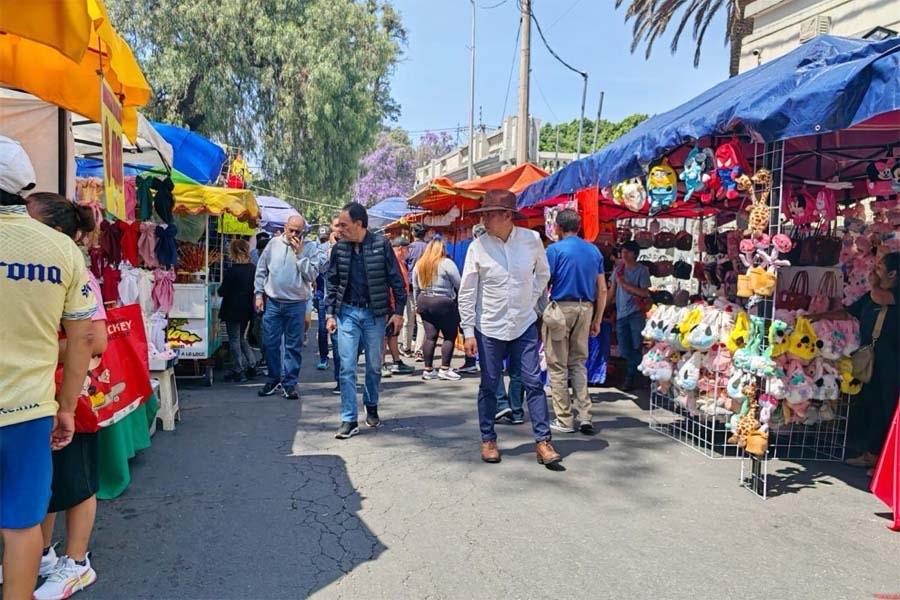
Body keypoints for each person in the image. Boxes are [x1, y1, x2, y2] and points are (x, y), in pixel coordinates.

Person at [0, 137, 96, 599]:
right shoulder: (60, 250)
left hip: (32, 410)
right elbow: (83, 338)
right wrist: (67, 406)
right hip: (29, 410)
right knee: (22, 526)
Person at [23, 193, 106, 600]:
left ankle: (77, 562)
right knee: (44, 482)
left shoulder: (77, 273)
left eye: (29, 219)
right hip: (34, 390)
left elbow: (96, 339)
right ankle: (39, 553)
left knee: (76, 481)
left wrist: (36, 344)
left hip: (70, 393)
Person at [458, 189, 560, 466]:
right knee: (490, 384)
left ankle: (543, 441)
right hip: (488, 325)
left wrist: (532, 296)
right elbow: (467, 291)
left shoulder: (531, 240)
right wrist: (467, 330)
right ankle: (488, 439)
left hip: (524, 322)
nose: (485, 220)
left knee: (533, 382)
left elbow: (543, 273)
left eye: (490, 214)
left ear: (507, 216)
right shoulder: (477, 246)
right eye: (484, 215)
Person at [810, 252, 899, 472]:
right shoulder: (870, 297)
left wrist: (872, 283)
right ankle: (872, 454)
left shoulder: (890, 293)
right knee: (872, 407)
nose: (873, 270)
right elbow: (850, 313)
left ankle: (889, 463)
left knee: (890, 410)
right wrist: (820, 317)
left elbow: (881, 298)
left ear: (892, 273)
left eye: (879, 267)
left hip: (893, 362)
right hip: (871, 360)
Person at [325, 203, 407, 439]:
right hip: (347, 313)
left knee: (373, 366)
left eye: (343, 224)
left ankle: (371, 404)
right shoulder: (339, 248)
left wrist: (399, 311)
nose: (339, 229)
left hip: (375, 315)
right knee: (347, 366)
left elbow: (396, 280)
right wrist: (330, 314)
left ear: (359, 224)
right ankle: (349, 419)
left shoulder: (381, 245)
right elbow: (332, 281)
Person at [543, 209, 608, 436]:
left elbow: (543, 282)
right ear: (579, 227)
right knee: (578, 363)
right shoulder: (593, 251)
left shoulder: (554, 250)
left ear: (558, 228)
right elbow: (602, 288)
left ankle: (564, 418)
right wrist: (597, 318)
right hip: (586, 307)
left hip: (561, 307)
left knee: (558, 365)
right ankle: (585, 416)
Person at [254, 215, 327, 400]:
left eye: (298, 232)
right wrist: (258, 294)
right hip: (274, 302)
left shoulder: (310, 248)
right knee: (269, 343)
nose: (294, 234)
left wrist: (300, 253)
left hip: (296, 304)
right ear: (285, 227)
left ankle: (290, 383)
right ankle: (273, 378)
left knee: (293, 346)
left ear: (304, 232)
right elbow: (261, 270)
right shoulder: (273, 244)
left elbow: (311, 275)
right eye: (291, 230)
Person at [412, 238, 462, 381]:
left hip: (424, 300)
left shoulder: (419, 264)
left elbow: (415, 286)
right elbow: (459, 283)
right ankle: (445, 368)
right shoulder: (446, 263)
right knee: (449, 335)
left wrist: (417, 303)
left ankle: (428, 369)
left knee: (430, 336)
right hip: (443, 301)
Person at [608, 240, 650, 391]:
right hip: (621, 314)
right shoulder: (618, 270)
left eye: (627, 252)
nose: (623, 255)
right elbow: (611, 292)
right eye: (622, 252)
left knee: (636, 345)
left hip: (636, 313)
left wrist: (624, 284)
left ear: (635, 254)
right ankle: (641, 368)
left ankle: (631, 377)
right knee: (625, 348)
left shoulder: (642, 270)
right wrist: (603, 308)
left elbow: (644, 292)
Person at [219, 239, 258, 383]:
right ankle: (252, 365)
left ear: (233, 252)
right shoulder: (253, 269)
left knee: (234, 339)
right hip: (247, 309)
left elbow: (223, 291)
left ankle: (238, 369)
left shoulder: (232, 271)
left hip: (232, 309)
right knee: (241, 337)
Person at [382, 238, 415, 377]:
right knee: (384, 336)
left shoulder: (400, 263)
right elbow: (392, 287)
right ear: (400, 248)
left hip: (396, 304)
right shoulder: (391, 263)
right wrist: (394, 307)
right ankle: (381, 363)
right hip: (390, 304)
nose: (408, 252)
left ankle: (396, 361)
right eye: (407, 249)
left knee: (393, 334)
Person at [405, 223, 428, 360]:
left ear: (413, 233)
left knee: (408, 319)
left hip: (410, 286)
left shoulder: (409, 248)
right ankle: (419, 350)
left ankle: (407, 348)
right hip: (425, 287)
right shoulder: (429, 248)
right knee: (421, 320)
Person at [315, 225, 332, 371]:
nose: (324, 241)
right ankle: (323, 357)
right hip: (321, 293)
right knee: (322, 328)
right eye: (322, 239)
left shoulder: (338, 248)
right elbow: (320, 268)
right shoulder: (318, 250)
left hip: (335, 294)